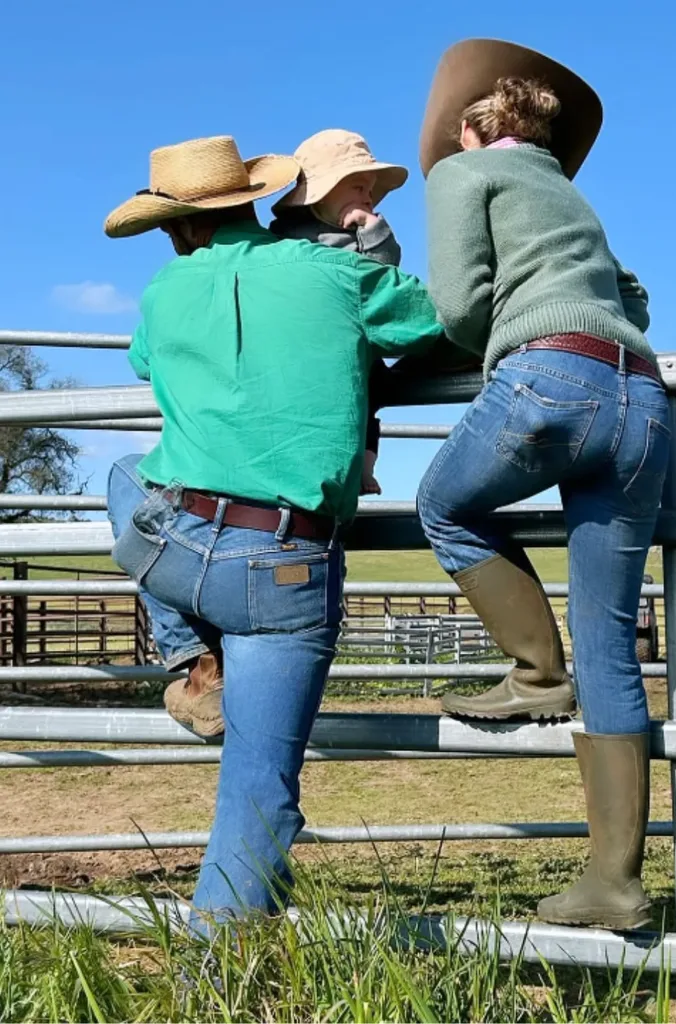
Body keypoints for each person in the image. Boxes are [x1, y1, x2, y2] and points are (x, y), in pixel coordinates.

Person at [103, 134, 443, 929]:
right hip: (284, 561)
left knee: (125, 476)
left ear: (174, 227)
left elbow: (144, 365)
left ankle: (191, 657)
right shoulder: (336, 272)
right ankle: (216, 980)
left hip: (180, 542)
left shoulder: (163, 289)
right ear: (250, 200)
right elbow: (425, 326)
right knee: (256, 789)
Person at [416, 40, 670, 930]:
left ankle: (533, 673)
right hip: (640, 398)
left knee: (443, 506)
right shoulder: (570, 197)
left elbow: (455, 305)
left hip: (548, 380)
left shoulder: (458, 176)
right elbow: (633, 298)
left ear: (465, 125)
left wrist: (492, 333)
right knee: (609, 641)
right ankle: (613, 883)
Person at [270, 128, 409, 497]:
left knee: (370, 396)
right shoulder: (282, 238)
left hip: (354, 350)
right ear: (321, 192)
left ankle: (365, 467)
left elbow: (384, 282)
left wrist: (375, 233)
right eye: (357, 187)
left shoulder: (365, 235)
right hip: (305, 349)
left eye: (370, 190)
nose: (367, 198)